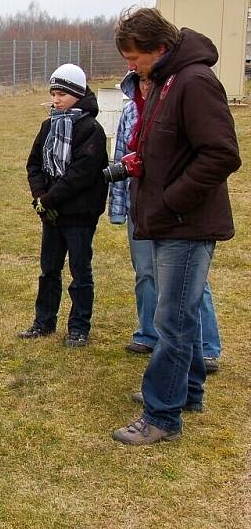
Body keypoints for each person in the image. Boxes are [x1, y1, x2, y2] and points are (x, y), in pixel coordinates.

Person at [112, 8, 241, 445]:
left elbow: (222, 154)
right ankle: (186, 392)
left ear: (160, 49)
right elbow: (169, 145)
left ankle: (162, 415)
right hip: (170, 222)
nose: (131, 66)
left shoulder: (194, 83)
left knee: (173, 321)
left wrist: (170, 199)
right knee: (179, 313)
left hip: (186, 225)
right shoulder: (165, 82)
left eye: (134, 58)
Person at [108, 73, 223, 374]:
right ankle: (148, 333)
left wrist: (173, 200)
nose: (146, 86)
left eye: (150, 80)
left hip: (173, 213)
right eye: (141, 81)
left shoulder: (180, 105)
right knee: (145, 272)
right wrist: (119, 209)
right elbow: (122, 157)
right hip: (141, 207)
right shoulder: (131, 111)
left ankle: (207, 347)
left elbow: (214, 156)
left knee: (188, 283)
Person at [21, 64, 108, 347]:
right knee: (49, 270)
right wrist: (40, 197)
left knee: (80, 271)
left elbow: (80, 174)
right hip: (51, 214)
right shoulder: (48, 126)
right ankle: (43, 322)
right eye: (53, 94)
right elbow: (34, 163)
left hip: (80, 214)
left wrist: (49, 198)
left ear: (77, 94)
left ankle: (79, 327)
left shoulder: (91, 129)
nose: (56, 100)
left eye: (62, 94)